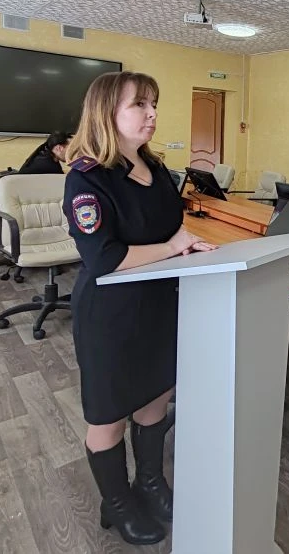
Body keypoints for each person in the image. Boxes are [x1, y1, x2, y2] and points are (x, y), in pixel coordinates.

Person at [62, 71, 217, 545]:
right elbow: (104, 258)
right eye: (140, 105)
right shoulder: (87, 177)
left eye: (154, 104)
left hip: (159, 305)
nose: (152, 114)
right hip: (110, 315)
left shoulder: (157, 168)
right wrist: (171, 248)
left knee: (155, 401)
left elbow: (168, 230)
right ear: (107, 112)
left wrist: (185, 246)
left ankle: (150, 483)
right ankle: (117, 502)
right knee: (107, 416)